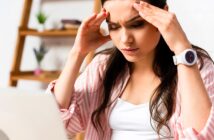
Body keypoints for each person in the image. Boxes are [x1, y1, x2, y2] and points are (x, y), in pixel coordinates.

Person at [47, 0, 214, 139]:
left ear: (163, 15)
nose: (125, 39)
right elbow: (56, 124)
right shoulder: (102, 67)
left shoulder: (196, 67)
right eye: (114, 27)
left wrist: (182, 48)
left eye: (136, 24)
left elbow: (205, 136)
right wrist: (78, 53)